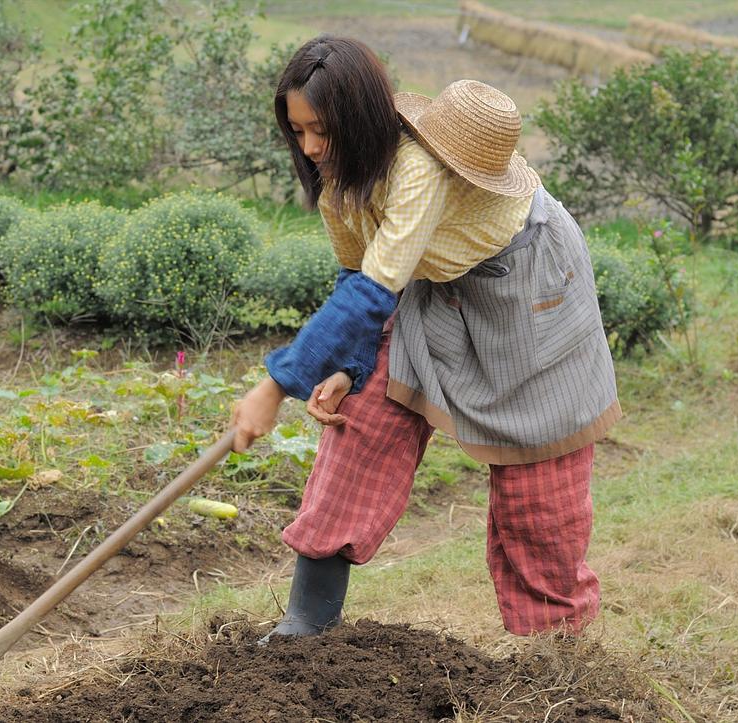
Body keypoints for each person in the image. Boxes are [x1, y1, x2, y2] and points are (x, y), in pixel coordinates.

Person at [231, 35, 620, 641]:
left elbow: (369, 293)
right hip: (433, 285)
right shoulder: (340, 180)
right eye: (297, 131)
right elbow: (357, 276)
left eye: (322, 131)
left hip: (531, 289)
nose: (308, 148)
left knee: (537, 489)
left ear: (359, 120)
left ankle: (558, 654)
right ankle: (306, 624)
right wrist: (347, 368)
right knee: (360, 424)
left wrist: (276, 384)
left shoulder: (417, 169)